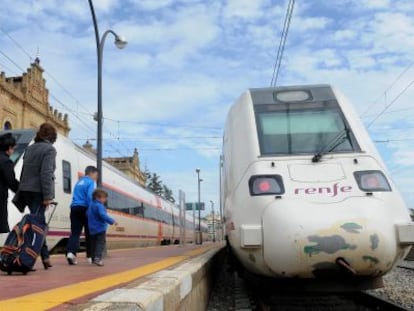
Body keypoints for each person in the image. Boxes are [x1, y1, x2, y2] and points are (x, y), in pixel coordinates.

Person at [18, 123, 57, 269]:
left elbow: (24, 171)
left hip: (26, 191)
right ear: (52, 137)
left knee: (36, 224)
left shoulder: (30, 148)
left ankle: (45, 258)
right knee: (36, 225)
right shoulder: (49, 149)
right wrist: (47, 196)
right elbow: (46, 173)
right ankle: (26, 259)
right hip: (38, 192)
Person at [66, 166, 98, 265]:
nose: (96, 178)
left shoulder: (78, 182)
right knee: (90, 233)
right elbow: (90, 196)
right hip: (85, 208)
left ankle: (71, 253)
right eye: (96, 175)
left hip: (74, 208)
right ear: (92, 173)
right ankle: (90, 257)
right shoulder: (91, 182)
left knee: (75, 232)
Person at [88, 189, 117, 266]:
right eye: (104, 198)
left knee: (93, 244)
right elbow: (103, 215)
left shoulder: (91, 205)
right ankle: (98, 258)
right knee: (100, 243)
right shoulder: (99, 205)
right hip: (100, 228)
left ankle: (93, 258)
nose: (105, 200)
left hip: (92, 228)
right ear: (98, 198)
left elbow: (87, 214)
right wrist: (112, 221)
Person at [0, 133, 19, 233]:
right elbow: (11, 181)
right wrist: (23, 193)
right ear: (9, 148)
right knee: (2, 228)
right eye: (13, 148)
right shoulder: (6, 161)